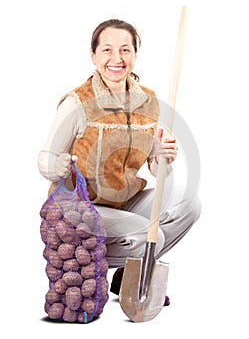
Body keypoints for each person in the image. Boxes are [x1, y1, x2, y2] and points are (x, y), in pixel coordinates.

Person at [38, 19, 201, 306]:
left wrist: (163, 158)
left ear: (135, 55)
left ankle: (128, 275)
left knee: (189, 204)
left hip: (126, 201)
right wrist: (58, 166)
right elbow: (45, 159)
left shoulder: (147, 102)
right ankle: (86, 269)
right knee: (151, 236)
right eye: (107, 50)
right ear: (93, 55)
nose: (117, 59)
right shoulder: (77, 103)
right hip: (82, 208)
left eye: (125, 50)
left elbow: (155, 166)